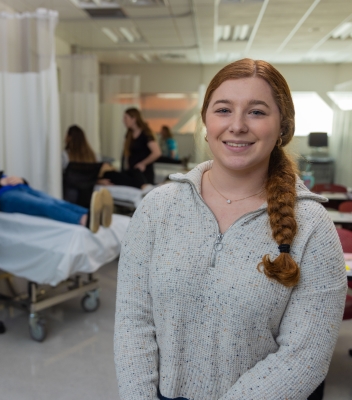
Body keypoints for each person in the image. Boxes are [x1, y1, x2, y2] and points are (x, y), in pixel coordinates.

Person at [114, 59, 347, 400]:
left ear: (282, 126)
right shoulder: (157, 208)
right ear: (206, 122)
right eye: (223, 109)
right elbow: (133, 322)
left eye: (256, 112)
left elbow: (304, 357)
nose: (237, 126)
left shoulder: (313, 228)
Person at [0, 108, 112, 235]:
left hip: (6, 191)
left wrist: (6, 181)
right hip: (6, 191)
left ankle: (90, 215)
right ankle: (88, 216)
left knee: (49, 203)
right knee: (48, 203)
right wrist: (3, 180)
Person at [62, 124, 153, 191]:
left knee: (133, 172)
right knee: (130, 176)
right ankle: (144, 186)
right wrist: (98, 180)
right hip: (102, 178)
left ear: (69, 137)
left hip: (100, 178)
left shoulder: (66, 156)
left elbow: (70, 177)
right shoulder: (92, 155)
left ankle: (145, 186)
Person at [121, 108, 161, 185]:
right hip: (132, 172)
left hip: (144, 174)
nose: (123, 120)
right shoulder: (129, 134)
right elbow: (127, 153)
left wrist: (143, 163)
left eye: (126, 117)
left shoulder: (145, 134)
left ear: (134, 119)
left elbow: (157, 153)